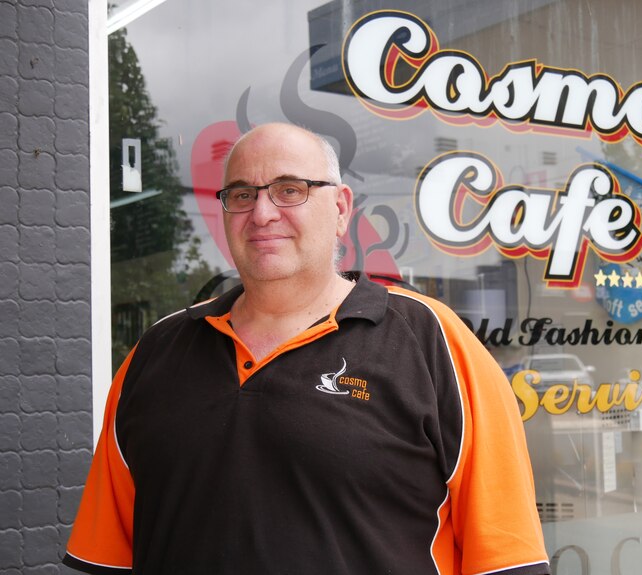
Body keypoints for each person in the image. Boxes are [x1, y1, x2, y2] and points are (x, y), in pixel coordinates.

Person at [63, 123, 550, 575]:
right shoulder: (157, 354)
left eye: (290, 190)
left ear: (340, 209)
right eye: (242, 194)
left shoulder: (431, 342)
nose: (262, 213)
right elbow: (110, 558)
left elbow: (506, 559)